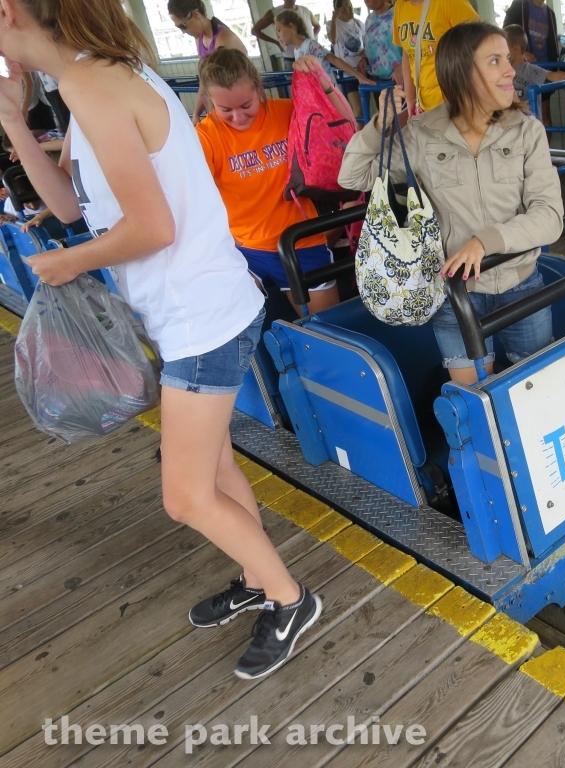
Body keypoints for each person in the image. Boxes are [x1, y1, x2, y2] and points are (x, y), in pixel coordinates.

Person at [1, 0, 320, 679]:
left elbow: (154, 227)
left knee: (184, 495)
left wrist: (68, 263)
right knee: (215, 467)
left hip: (201, 318)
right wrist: (13, 123)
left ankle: (291, 598)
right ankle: (258, 578)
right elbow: (70, 207)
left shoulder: (95, 84)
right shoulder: (95, 80)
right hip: (196, 312)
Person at [340, 21, 563, 383]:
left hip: (521, 285)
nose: (511, 70)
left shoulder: (526, 131)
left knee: (537, 388)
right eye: (495, 61)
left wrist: (484, 242)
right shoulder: (422, 134)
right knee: (474, 396)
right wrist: (379, 124)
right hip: (455, 294)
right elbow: (352, 177)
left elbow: (550, 216)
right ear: (461, 72)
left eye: (508, 58)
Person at [197, 48, 346, 316]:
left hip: (300, 243)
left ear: (259, 87)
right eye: (225, 109)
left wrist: (321, 81)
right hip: (246, 253)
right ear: (209, 100)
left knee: (329, 331)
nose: (238, 117)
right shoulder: (205, 137)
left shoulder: (285, 111)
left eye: (246, 106)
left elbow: (341, 121)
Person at [276, 9, 374, 118]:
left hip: (330, 96)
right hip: (318, 99)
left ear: (291, 27)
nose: (278, 36)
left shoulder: (310, 45)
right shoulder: (297, 50)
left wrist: (358, 75)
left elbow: (335, 60)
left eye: (279, 30)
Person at [167, 0, 248, 125]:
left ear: (195, 14)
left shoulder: (224, 37)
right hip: (220, 109)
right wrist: (196, 114)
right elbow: (204, 81)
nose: (183, 31)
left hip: (238, 107)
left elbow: (223, 84)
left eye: (183, 26)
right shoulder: (200, 39)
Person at [393, 0, 480, 114]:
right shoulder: (400, 6)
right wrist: (410, 98)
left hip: (455, 102)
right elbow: (408, 53)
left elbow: (481, 42)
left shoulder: (450, 3)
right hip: (425, 103)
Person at [505, 24, 565, 105]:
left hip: (529, 117)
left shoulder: (529, 70)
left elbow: (553, 76)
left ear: (516, 49)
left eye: (504, 47)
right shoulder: (502, 71)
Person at [253, 0, 320, 68]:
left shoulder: (305, 10)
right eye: (278, 30)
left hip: (311, 55)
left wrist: (310, 40)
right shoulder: (274, 13)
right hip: (291, 57)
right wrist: (277, 43)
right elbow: (255, 30)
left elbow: (317, 26)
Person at [359, 0, 404, 83]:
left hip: (399, 79)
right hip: (376, 80)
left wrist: (403, 65)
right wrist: (364, 58)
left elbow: (412, 44)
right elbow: (370, 45)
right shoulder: (369, 19)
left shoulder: (398, 13)